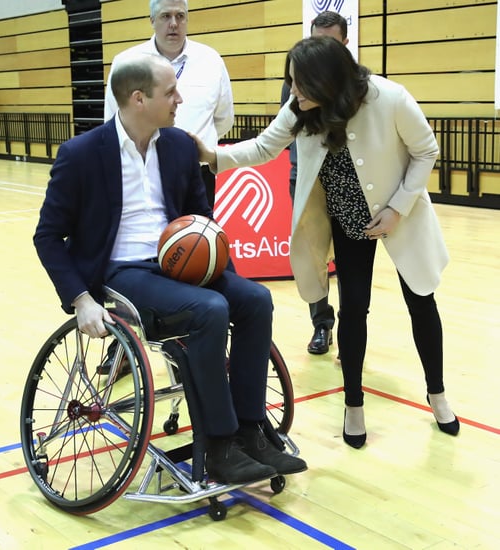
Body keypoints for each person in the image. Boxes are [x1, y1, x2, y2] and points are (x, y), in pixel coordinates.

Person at [34, 53, 306, 484]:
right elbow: (47, 236)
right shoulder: (81, 154)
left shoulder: (179, 146)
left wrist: (225, 272)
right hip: (123, 274)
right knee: (210, 310)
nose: (180, 99)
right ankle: (218, 444)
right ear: (139, 99)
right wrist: (81, 300)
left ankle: (251, 431)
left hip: (178, 262)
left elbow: (201, 219)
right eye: (171, 92)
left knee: (255, 298)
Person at [193, 36, 460, 448]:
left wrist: (398, 206)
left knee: (421, 301)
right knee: (354, 309)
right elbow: (265, 147)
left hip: (398, 213)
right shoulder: (301, 110)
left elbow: (427, 151)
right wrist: (212, 156)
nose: (293, 92)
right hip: (347, 219)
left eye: (300, 84)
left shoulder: (389, 97)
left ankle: (437, 393)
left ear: (327, 82)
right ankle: (354, 403)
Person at [103, 0, 234, 207]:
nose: (174, 23)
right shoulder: (126, 62)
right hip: (141, 174)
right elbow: (112, 119)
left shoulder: (211, 60)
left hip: (197, 173)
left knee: (199, 237)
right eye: (166, 16)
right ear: (152, 20)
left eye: (180, 16)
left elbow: (223, 120)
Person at [280, 11, 349, 356]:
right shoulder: (296, 81)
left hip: (348, 186)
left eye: (329, 43)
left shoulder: (357, 84)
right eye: (315, 42)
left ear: (345, 44)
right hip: (306, 180)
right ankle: (322, 325)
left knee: (351, 261)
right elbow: (281, 132)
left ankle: (352, 331)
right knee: (312, 257)